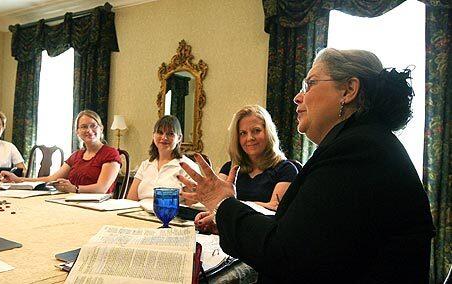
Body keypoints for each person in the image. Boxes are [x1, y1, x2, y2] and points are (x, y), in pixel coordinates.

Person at [179, 48, 435, 283]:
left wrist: (222, 204)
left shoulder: (357, 152)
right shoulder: (364, 142)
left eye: (310, 84)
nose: (297, 97)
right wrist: (226, 220)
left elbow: (284, 254)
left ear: (348, 90)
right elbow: (298, 235)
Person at [194, 105, 299, 233]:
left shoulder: (286, 169)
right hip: (229, 236)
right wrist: (209, 215)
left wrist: (229, 208)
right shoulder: (229, 168)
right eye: (243, 133)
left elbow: (274, 207)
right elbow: (216, 201)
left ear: (268, 133)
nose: (250, 138)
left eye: (256, 130)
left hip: (261, 236)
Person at [0, 110, 121, 194]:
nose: (89, 130)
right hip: (72, 202)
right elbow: (51, 178)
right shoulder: (76, 156)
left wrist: (74, 189)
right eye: (83, 127)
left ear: (101, 128)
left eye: (93, 126)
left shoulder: (110, 154)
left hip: (97, 206)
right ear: (77, 132)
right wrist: (18, 179)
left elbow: (102, 188)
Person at [126, 115, 199, 202]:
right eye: (160, 132)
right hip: (138, 212)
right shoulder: (146, 164)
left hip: (170, 214)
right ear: (153, 135)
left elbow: (190, 205)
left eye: (170, 134)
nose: (164, 137)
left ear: (179, 138)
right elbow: (131, 200)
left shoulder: (188, 166)